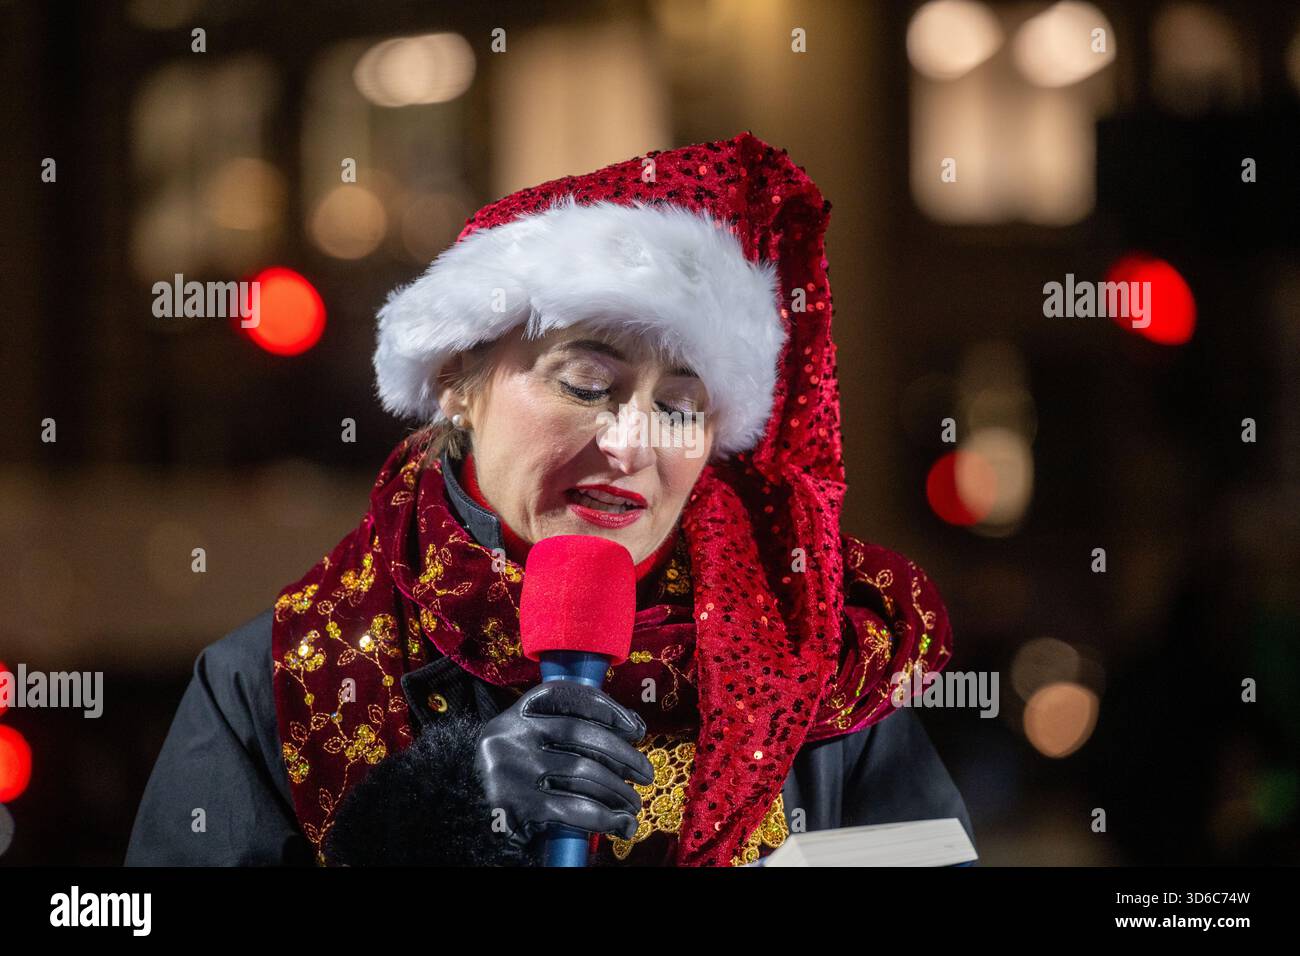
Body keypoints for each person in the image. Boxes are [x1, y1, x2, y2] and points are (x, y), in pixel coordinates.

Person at [125, 131, 975, 867]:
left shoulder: (822, 661)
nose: (631, 443)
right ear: (458, 378)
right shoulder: (278, 680)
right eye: (587, 384)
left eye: (681, 407)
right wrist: (437, 822)